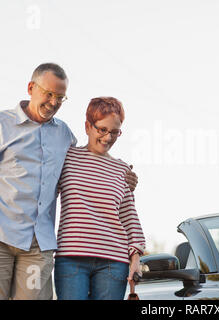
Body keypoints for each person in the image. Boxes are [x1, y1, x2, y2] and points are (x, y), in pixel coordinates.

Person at [0, 63, 138, 300]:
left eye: (60, 98)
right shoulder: (0, 123)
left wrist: (125, 176)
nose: (53, 103)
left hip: (37, 243)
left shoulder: (64, 134)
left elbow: (88, 163)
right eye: (49, 94)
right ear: (31, 88)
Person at [54, 97, 145, 300]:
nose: (107, 137)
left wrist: (136, 258)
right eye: (102, 129)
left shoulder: (122, 170)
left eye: (114, 132)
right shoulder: (66, 158)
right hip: (71, 257)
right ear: (88, 126)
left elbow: (129, 217)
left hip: (113, 262)